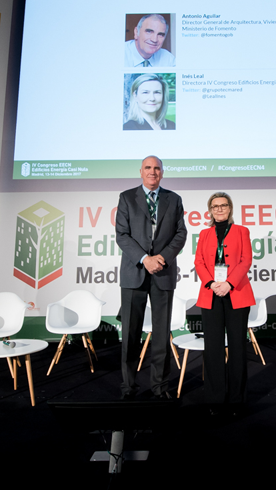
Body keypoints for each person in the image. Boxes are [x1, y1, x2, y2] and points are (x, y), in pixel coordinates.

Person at [116, 155, 187, 399]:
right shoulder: (127, 197)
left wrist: (161, 258)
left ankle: (160, 387)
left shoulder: (174, 199)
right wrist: (145, 259)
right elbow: (122, 235)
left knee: (161, 336)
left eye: (157, 168)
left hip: (163, 273)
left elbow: (180, 234)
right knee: (130, 335)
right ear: (141, 171)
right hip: (134, 273)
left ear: (162, 173)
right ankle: (128, 388)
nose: (152, 172)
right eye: (148, 167)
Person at [194, 192, 255, 413]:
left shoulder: (241, 231)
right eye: (215, 206)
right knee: (213, 347)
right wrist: (211, 283)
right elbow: (199, 261)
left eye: (223, 205)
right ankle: (214, 398)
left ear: (230, 208)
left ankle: (237, 399)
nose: (219, 209)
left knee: (237, 347)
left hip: (236, 292)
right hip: (211, 293)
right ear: (210, 210)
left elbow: (245, 260)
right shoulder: (204, 233)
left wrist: (229, 283)